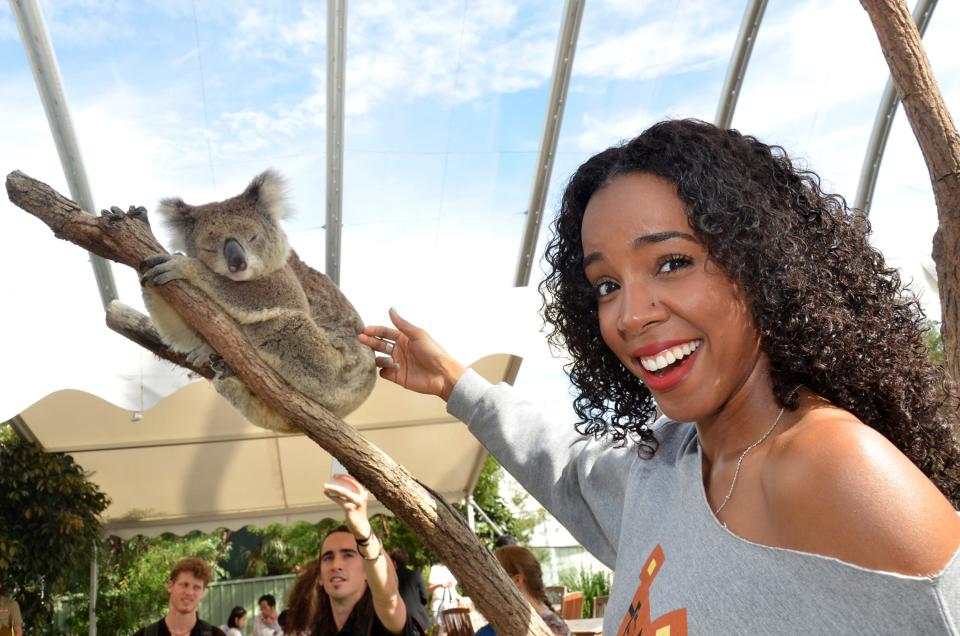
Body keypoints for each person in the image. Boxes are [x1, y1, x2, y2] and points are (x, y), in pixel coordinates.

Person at [358, 118, 960, 633]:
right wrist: (453, 383)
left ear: (761, 264)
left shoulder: (832, 464)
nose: (629, 314)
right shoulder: (667, 470)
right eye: (607, 285)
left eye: (672, 262)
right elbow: (565, 466)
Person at [284, 472, 425, 635]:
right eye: (328, 557)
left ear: (367, 572)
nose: (336, 565)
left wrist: (363, 532)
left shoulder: (382, 621)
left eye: (348, 555)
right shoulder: (320, 628)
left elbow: (389, 597)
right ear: (320, 578)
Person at [475, 546, 570, 636]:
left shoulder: (490, 633)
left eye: (493, 576)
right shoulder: (558, 624)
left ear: (517, 580)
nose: (487, 582)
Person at [134, 557, 225, 636]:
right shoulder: (145, 634)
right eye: (185, 585)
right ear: (170, 586)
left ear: (202, 593)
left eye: (196, 588)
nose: (189, 592)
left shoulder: (216, 635)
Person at [388, 548, 430, 631]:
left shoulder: (389, 579)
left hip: (399, 622)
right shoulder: (416, 575)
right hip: (419, 622)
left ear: (394, 563)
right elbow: (425, 598)